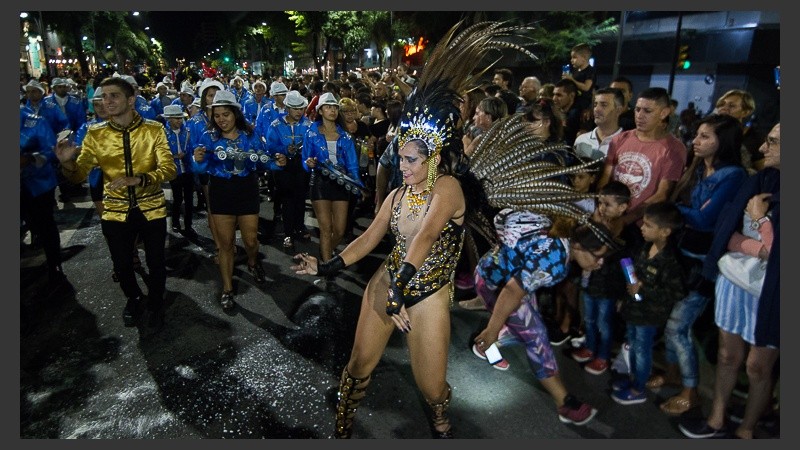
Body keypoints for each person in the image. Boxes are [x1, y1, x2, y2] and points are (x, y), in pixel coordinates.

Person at [291, 20, 538, 439]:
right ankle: (344, 419)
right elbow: (369, 239)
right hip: (390, 280)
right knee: (359, 363)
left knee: (430, 384)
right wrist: (326, 266)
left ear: (434, 158)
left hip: (428, 292)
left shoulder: (447, 188)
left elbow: (424, 237)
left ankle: (440, 417)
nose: (401, 167)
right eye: (400, 158)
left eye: (411, 161)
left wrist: (400, 293)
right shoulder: (398, 194)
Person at [679, 123, 779, 439]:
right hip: (735, 279)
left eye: (773, 142)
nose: (762, 148)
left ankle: (746, 429)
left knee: (757, 367)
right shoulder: (758, 180)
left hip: (774, 293)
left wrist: (760, 221)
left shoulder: (746, 181)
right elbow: (726, 233)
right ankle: (716, 420)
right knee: (727, 356)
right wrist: (760, 248)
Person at [55, 76, 177, 330]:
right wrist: (67, 163)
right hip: (114, 209)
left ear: (131, 100)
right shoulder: (96, 134)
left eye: (114, 96)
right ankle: (134, 297)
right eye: (103, 96)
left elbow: (169, 169)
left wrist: (140, 179)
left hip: (151, 207)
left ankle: (156, 303)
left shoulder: (153, 129)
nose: (107, 101)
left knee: (156, 262)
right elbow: (79, 175)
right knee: (121, 264)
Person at [654, 114, 748, 416]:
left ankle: (690, 390)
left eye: (705, 136)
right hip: (681, 255)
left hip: (704, 262)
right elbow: (693, 212)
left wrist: (668, 210)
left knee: (678, 327)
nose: (696, 141)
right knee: (671, 322)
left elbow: (705, 219)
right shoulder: (699, 167)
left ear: (724, 142)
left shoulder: (733, 176)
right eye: (697, 134)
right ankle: (672, 373)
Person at [192, 90, 287, 311]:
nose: (221, 120)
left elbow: (263, 161)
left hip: (246, 189)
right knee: (225, 245)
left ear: (236, 113)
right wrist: (197, 161)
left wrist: (277, 163)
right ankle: (227, 289)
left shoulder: (250, 135)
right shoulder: (208, 137)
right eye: (217, 115)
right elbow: (201, 169)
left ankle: (253, 262)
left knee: (251, 240)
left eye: (225, 114)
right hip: (221, 191)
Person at [611, 201, 687, 405]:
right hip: (634, 309)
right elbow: (634, 276)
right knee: (632, 345)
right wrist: (626, 297)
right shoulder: (645, 247)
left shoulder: (671, 261)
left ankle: (638, 388)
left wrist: (643, 289)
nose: (642, 228)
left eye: (648, 225)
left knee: (641, 350)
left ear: (665, 231)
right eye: (643, 223)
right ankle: (632, 378)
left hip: (649, 315)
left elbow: (676, 293)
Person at [597, 87, 687, 231]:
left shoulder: (674, 149)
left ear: (664, 113)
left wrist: (625, 221)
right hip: (608, 219)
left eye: (647, 111)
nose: (640, 115)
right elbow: (605, 178)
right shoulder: (619, 139)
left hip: (642, 227)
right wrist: (600, 209)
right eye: (637, 110)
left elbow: (662, 194)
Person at [301, 92, 364, 292]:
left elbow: (353, 165)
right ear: (320, 111)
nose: (332, 110)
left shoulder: (345, 136)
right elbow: (305, 161)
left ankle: (325, 254)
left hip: (341, 183)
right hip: (320, 182)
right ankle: (326, 269)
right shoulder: (311, 133)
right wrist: (309, 163)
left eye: (335, 107)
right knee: (325, 228)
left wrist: (358, 186)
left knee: (340, 229)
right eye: (328, 107)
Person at [570, 181, 632, 375]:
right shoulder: (592, 224)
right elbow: (577, 239)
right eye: (600, 203)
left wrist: (629, 290)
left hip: (608, 288)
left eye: (608, 204)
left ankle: (603, 357)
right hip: (590, 283)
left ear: (622, 207)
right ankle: (590, 347)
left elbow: (618, 259)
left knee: (604, 324)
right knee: (589, 319)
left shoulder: (625, 232)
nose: (602, 208)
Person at [20, 106, 65, 288]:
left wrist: (30, 158)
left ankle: (55, 264)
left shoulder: (36, 122)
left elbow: (52, 151)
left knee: (45, 225)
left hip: (37, 185)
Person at [264, 90, 313, 249]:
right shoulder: (276, 125)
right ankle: (288, 232)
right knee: (287, 198)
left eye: (301, 108)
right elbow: (270, 146)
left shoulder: (308, 125)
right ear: (287, 108)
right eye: (295, 108)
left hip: (301, 165)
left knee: (300, 197)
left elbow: (313, 144)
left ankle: (299, 227)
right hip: (282, 165)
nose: (299, 112)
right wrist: (285, 149)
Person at [161, 105, 195, 237]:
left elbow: (192, 147)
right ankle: (175, 223)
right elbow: (161, 152)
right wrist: (174, 156)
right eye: (176, 118)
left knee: (189, 199)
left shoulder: (187, 132)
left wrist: (186, 153)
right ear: (169, 119)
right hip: (175, 171)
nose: (179, 121)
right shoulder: (163, 134)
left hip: (188, 169)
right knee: (177, 198)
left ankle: (188, 225)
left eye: (180, 118)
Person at [573, 87, 625, 161]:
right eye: (595, 105)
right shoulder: (581, 140)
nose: (596, 109)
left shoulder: (627, 144)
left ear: (618, 110)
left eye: (604, 105)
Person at [562, 43, 597, 114]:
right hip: (572, 103)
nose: (571, 60)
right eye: (571, 57)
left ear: (584, 58)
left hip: (583, 105)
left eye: (574, 57)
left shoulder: (590, 71)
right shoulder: (575, 71)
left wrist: (572, 79)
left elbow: (586, 87)